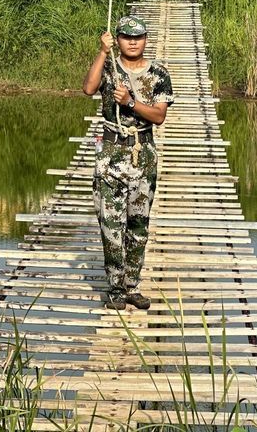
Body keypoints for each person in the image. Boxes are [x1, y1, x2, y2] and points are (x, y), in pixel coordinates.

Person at [82, 15, 174, 311]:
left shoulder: (159, 73)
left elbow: (159, 116)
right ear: (118, 39)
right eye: (126, 37)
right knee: (111, 225)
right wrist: (101, 51)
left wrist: (131, 102)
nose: (132, 42)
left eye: (138, 37)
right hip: (111, 153)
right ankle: (115, 288)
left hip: (143, 154)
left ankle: (132, 286)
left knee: (138, 225)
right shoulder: (109, 65)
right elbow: (88, 88)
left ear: (146, 39)